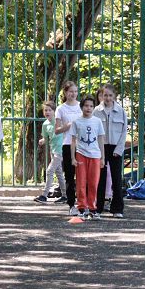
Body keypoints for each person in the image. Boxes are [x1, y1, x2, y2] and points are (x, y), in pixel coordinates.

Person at [94, 83, 127, 218]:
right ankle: (98, 208)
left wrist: (119, 149)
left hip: (115, 148)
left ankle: (117, 209)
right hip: (101, 147)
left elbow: (124, 132)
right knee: (100, 179)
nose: (107, 98)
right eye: (105, 95)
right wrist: (97, 150)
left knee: (116, 178)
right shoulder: (96, 111)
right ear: (102, 96)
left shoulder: (121, 111)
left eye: (110, 95)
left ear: (114, 96)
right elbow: (94, 131)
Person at [69, 95, 105, 219]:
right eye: (86, 106)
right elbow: (73, 140)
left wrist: (102, 157)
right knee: (81, 182)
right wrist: (73, 157)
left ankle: (92, 208)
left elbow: (100, 139)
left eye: (91, 106)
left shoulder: (97, 121)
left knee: (93, 183)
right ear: (81, 107)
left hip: (95, 155)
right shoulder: (76, 122)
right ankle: (82, 207)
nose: (88, 108)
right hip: (81, 154)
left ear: (93, 108)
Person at [53, 80, 82, 215]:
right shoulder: (61, 109)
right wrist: (68, 126)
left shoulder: (81, 106)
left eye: (75, 91)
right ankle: (71, 204)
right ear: (65, 92)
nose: (73, 94)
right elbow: (57, 130)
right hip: (67, 144)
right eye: (71, 92)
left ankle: (83, 203)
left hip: (82, 145)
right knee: (70, 176)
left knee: (82, 175)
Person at [34, 100, 66, 203]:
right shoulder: (45, 124)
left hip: (60, 151)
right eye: (45, 110)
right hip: (53, 150)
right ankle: (65, 195)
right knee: (59, 173)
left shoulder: (59, 122)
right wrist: (43, 140)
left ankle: (44, 195)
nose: (47, 112)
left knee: (49, 170)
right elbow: (46, 137)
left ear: (54, 111)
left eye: (49, 110)